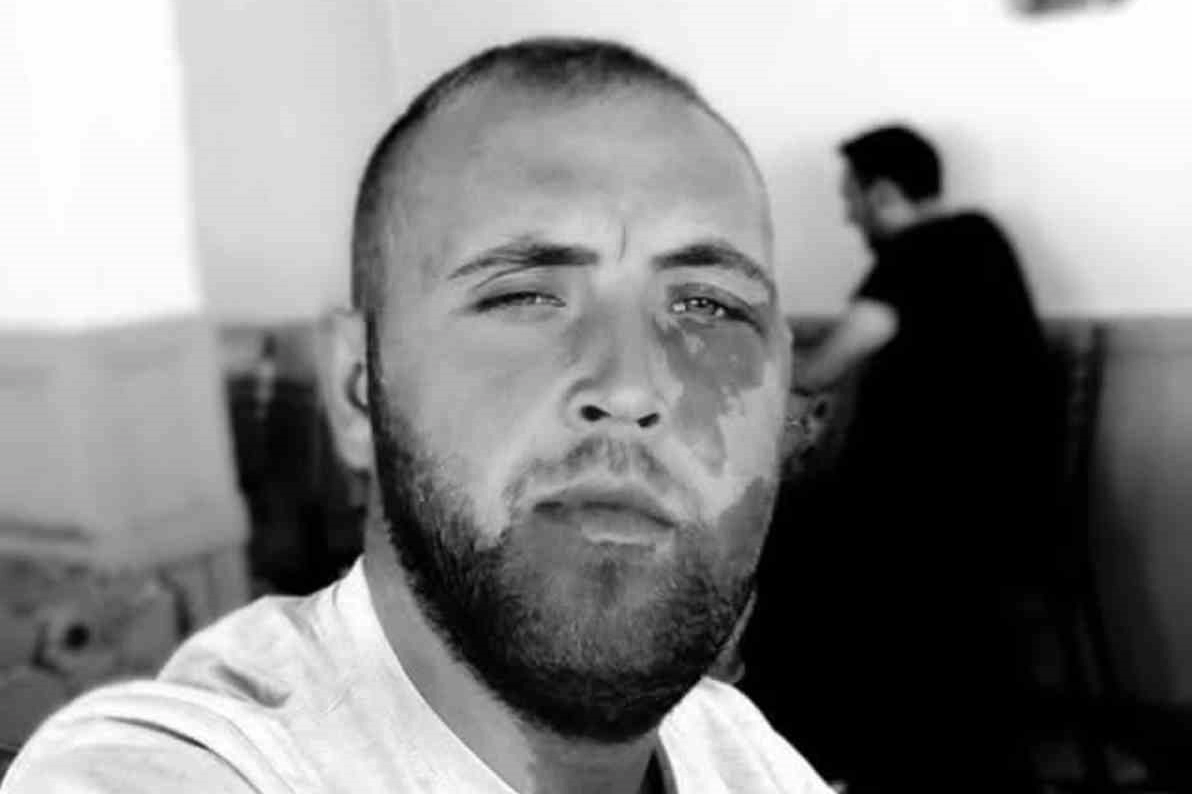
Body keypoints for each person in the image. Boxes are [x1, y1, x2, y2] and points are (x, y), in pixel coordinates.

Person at [2, 38, 832, 794]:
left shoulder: (738, 748)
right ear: (359, 387)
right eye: (524, 295)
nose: (631, 388)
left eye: (708, 305)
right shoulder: (182, 765)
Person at [757, 124, 1054, 792]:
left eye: (851, 199)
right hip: (1007, 501)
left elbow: (826, 366)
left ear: (883, 193)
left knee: (783, 549)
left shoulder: (919, 252)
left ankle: (815, 759)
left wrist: (751, 354)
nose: (847, 216)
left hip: (943, 512)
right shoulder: (981, 241)